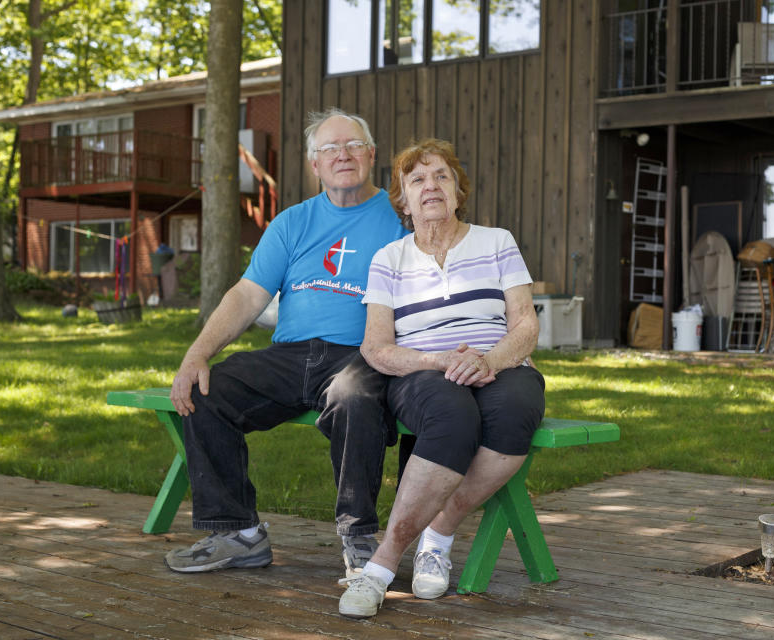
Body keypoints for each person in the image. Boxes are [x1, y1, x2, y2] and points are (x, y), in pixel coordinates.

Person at [164, 108, 407, 578]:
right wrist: (197, 354)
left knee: (354, 398)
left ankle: (359, 537)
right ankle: (239, 534)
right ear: (314, 165)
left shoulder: (400, 219)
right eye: (330, 149)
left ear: (372, 155)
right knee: (202, 392)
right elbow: (247, 296)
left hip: (359, 355)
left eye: (354, 146)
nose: (343, 155)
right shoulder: (292, 223)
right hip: (290, 354)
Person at [338, 138, 545, 618]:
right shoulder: (389, 259)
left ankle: (440, 532)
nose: (430, 186)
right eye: (417, 180)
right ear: (403, 202)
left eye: (441, 176)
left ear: (457, 191)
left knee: (515, 411)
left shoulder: (497, 241)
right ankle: (382, 567)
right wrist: (438, 361)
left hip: (499, 360)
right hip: (423, 369)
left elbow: (526, 325)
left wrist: (489, 361)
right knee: (452, 414)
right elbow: (376, 347)